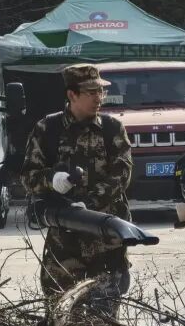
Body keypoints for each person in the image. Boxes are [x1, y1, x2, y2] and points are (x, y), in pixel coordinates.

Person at [21, 64, 134, 300]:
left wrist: (88, 205)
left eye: (100, 92)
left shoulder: (112, 129)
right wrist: (53, 181)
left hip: (106, 238)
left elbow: (122, 174)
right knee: (61, 311)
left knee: (106, 316)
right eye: (91, 92)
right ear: (72, 94)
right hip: (65, 241)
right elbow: (29, 176)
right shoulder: (47, 129)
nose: (99, 98)